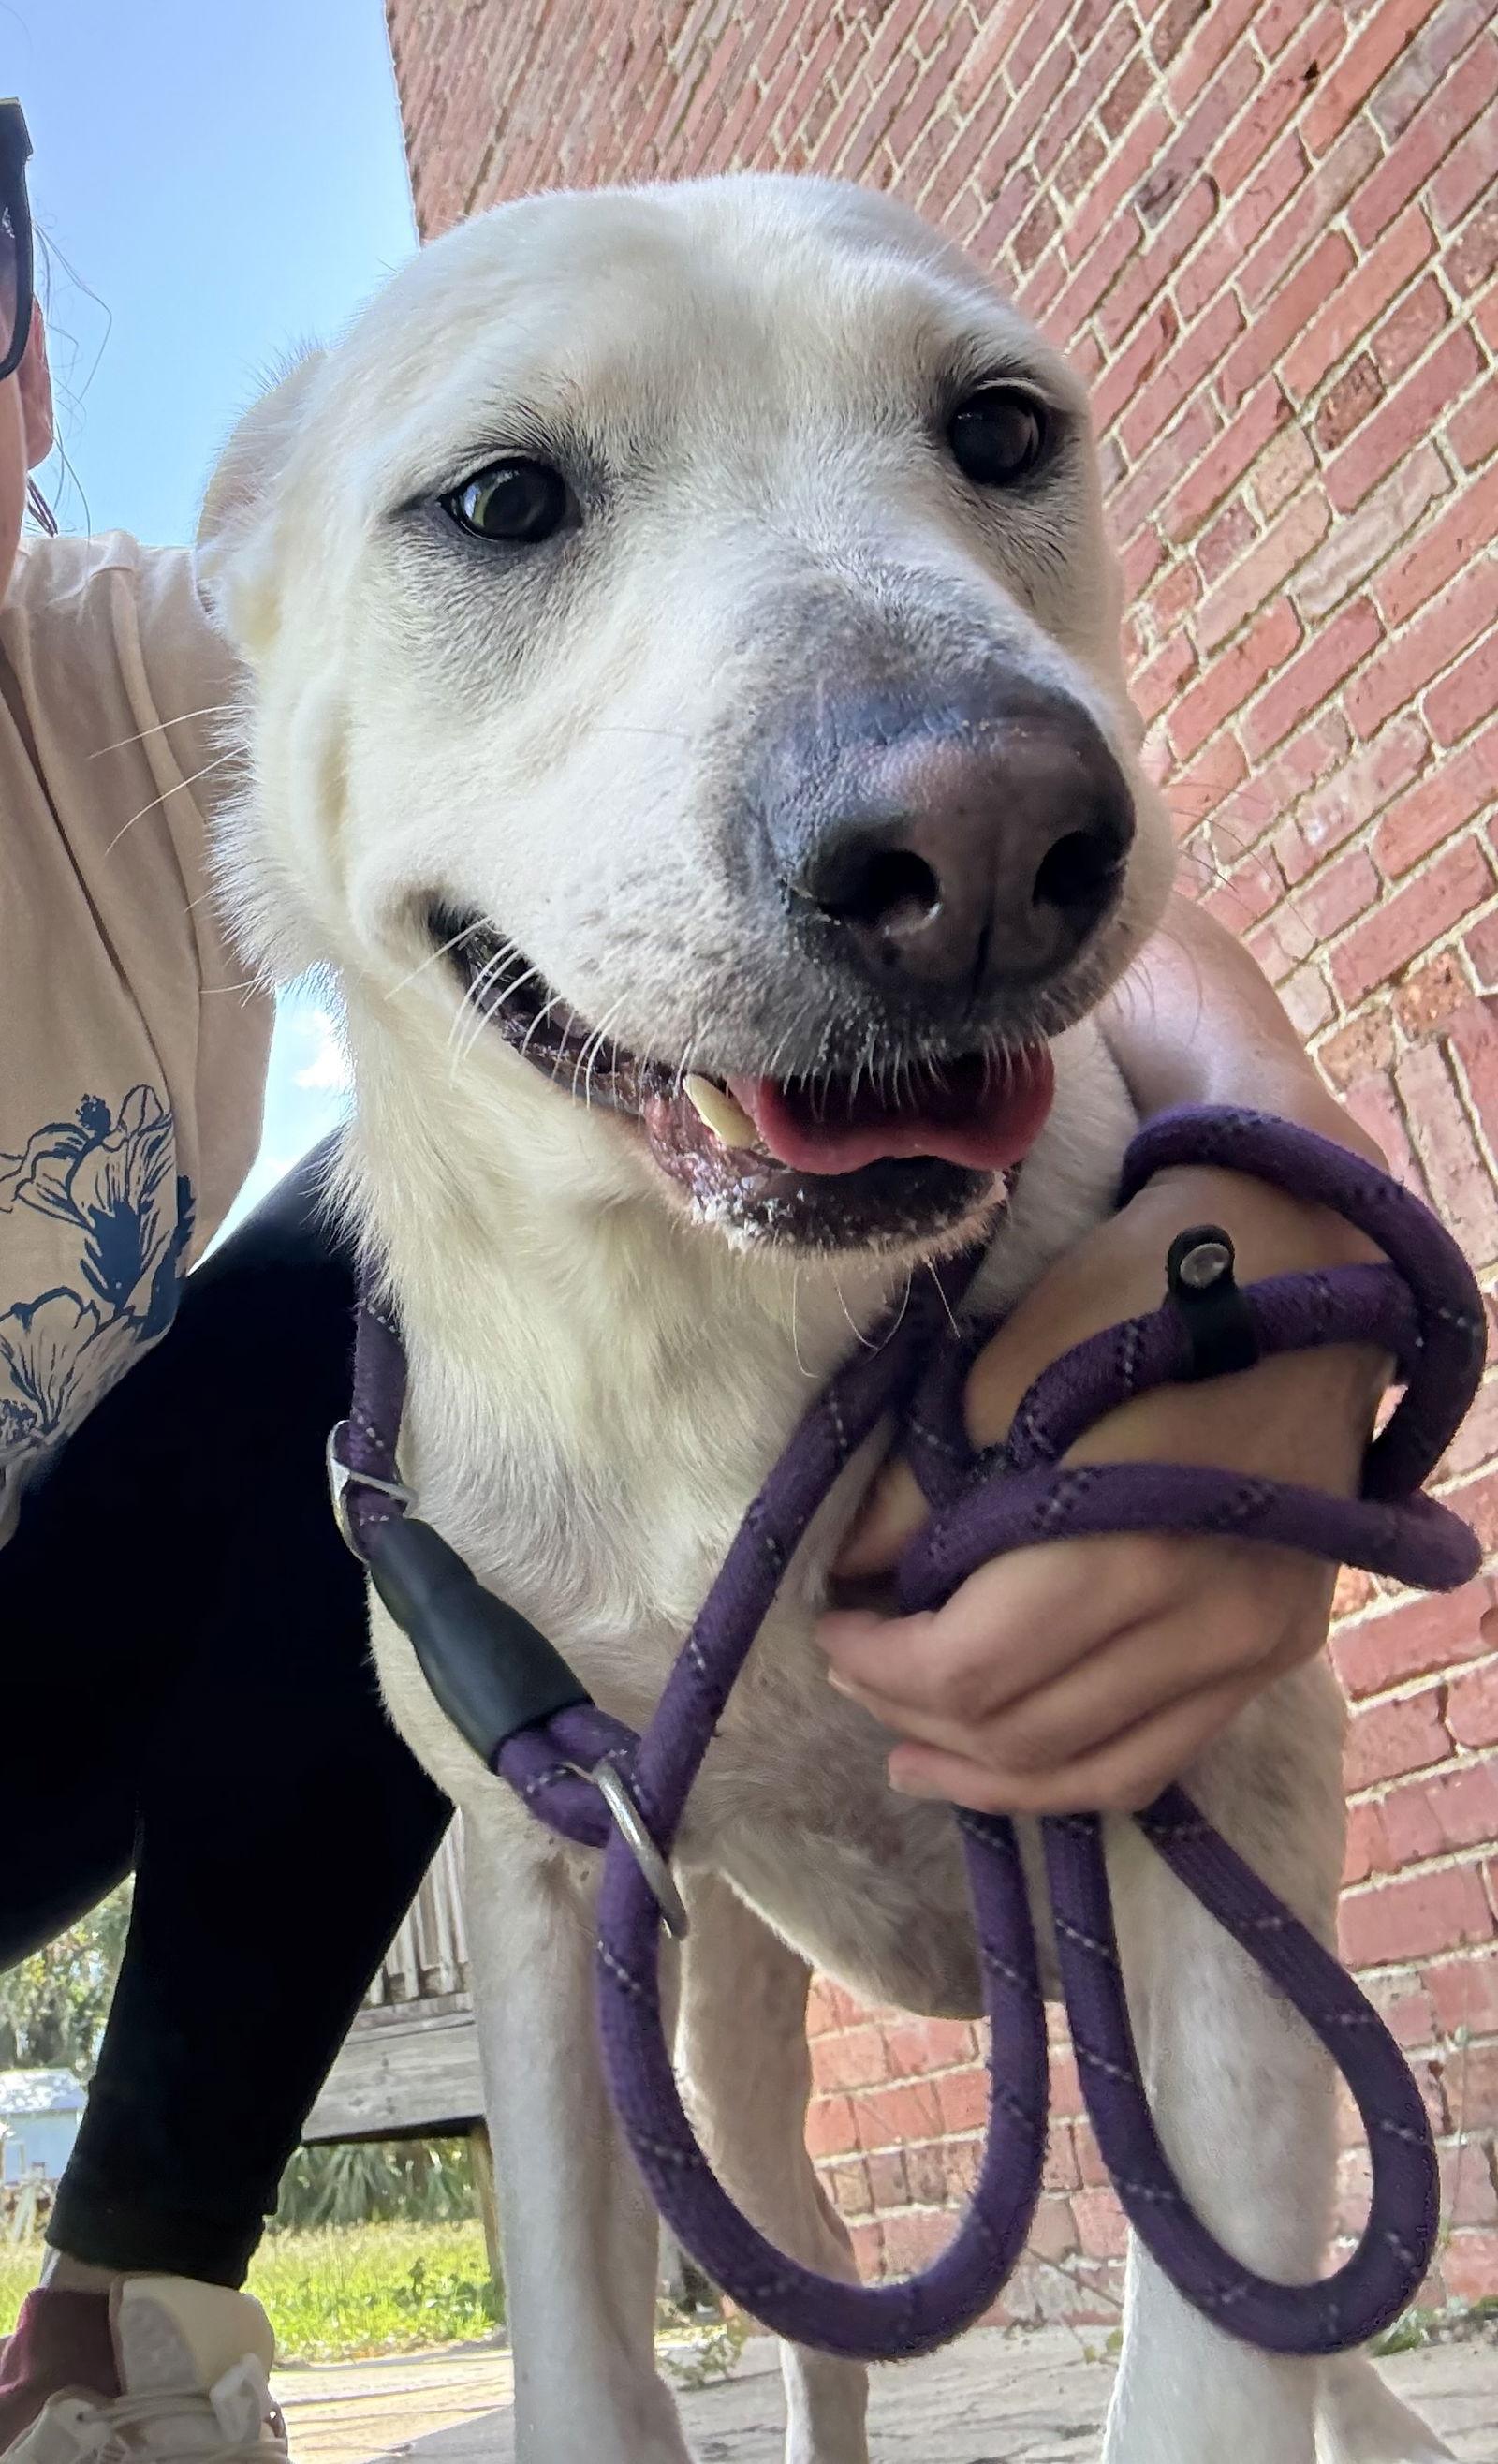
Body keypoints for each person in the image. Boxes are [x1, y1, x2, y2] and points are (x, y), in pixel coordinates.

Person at [0, 97, 1388, 2461]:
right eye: (517, 507)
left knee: (342, 1362)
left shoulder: (163, 654)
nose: (939, 815)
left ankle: (122, 2312)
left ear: (21, 369)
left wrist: (1271, 1218)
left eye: (988, 436)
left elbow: (1066, 882)